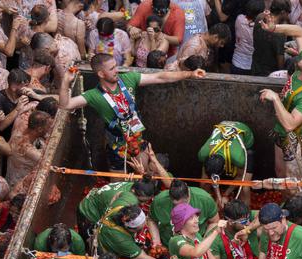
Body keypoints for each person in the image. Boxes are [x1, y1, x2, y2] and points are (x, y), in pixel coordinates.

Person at [58, 53, 206, 171]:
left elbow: (161, 77)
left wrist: (190, 74)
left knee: (144, 173)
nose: (117, 70)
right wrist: (65, 82)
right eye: (111, 69)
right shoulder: (93, 95)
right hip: (117, 146)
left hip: (137, 139)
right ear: (101, 74)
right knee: (119, 183)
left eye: (116, 66)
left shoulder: (129, 78)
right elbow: (66, 105)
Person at [256, 20, 302, 178]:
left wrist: (275, 99)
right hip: (280, 130)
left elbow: (290, 124)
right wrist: (274, 28)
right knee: (279, 172)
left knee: (293, 181)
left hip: (295, 137)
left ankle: (296, 202)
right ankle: (286, 202)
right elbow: (299, 31)